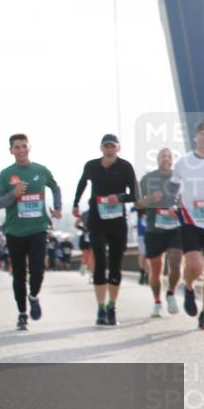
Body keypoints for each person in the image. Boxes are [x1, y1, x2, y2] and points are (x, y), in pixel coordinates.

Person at [0, 134, 62, 330]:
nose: (21, 150)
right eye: (17, 147)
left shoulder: (40, 170)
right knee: (19, 275)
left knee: (38, 269)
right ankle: (22, 313)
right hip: (15, 231)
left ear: (29, 147)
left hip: (38, 229)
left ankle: (33, 296)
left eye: (24, 146)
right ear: (11, 150)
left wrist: (57, 207)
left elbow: (55, 187)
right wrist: (13, 194)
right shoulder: (6, 174)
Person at [72, 133, 139, 326]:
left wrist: (119, 197)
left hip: (117, 220)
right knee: (100, 262)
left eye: (113, 146)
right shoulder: (91, 165)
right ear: (101, 148)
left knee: (115, 264)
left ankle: (112, 307)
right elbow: (82, 183)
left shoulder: (125, 167)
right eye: (106, 146)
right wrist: (76, 204)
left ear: (118, 148)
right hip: (97, 218)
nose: (109, 150)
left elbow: (134, 194)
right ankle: (100, 308)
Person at [167, 120, 204, 330]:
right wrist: (172, 204)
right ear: (196, 137)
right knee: (195, 266)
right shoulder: (184, 162)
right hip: (190, 218)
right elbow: (173, 185)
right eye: (202, 134)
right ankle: (189, 287)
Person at [136, 147, 182, 317]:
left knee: (176, 263)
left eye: (168, 156)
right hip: (154, 230)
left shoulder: (179, 179)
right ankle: (157, 302)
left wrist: (177, 207)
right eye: (162, 155)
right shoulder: (148, 179)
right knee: (156, 271)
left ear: (172, 160)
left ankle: (170, 293)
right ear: (157, 159)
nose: (165, 158)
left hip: (175, 228)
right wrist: (151, 199)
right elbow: (137, 204)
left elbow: (186, 200)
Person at [75, 210, 93, 279]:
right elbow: (76, 224)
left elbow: (76, 225)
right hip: (87, 236)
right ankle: (84, 269)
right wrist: (84, 229)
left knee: (90, 256)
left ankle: (91, 273)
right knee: (87, 256)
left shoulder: (84, 214)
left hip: (90, 236)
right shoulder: (85, 214)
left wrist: (83, 228)